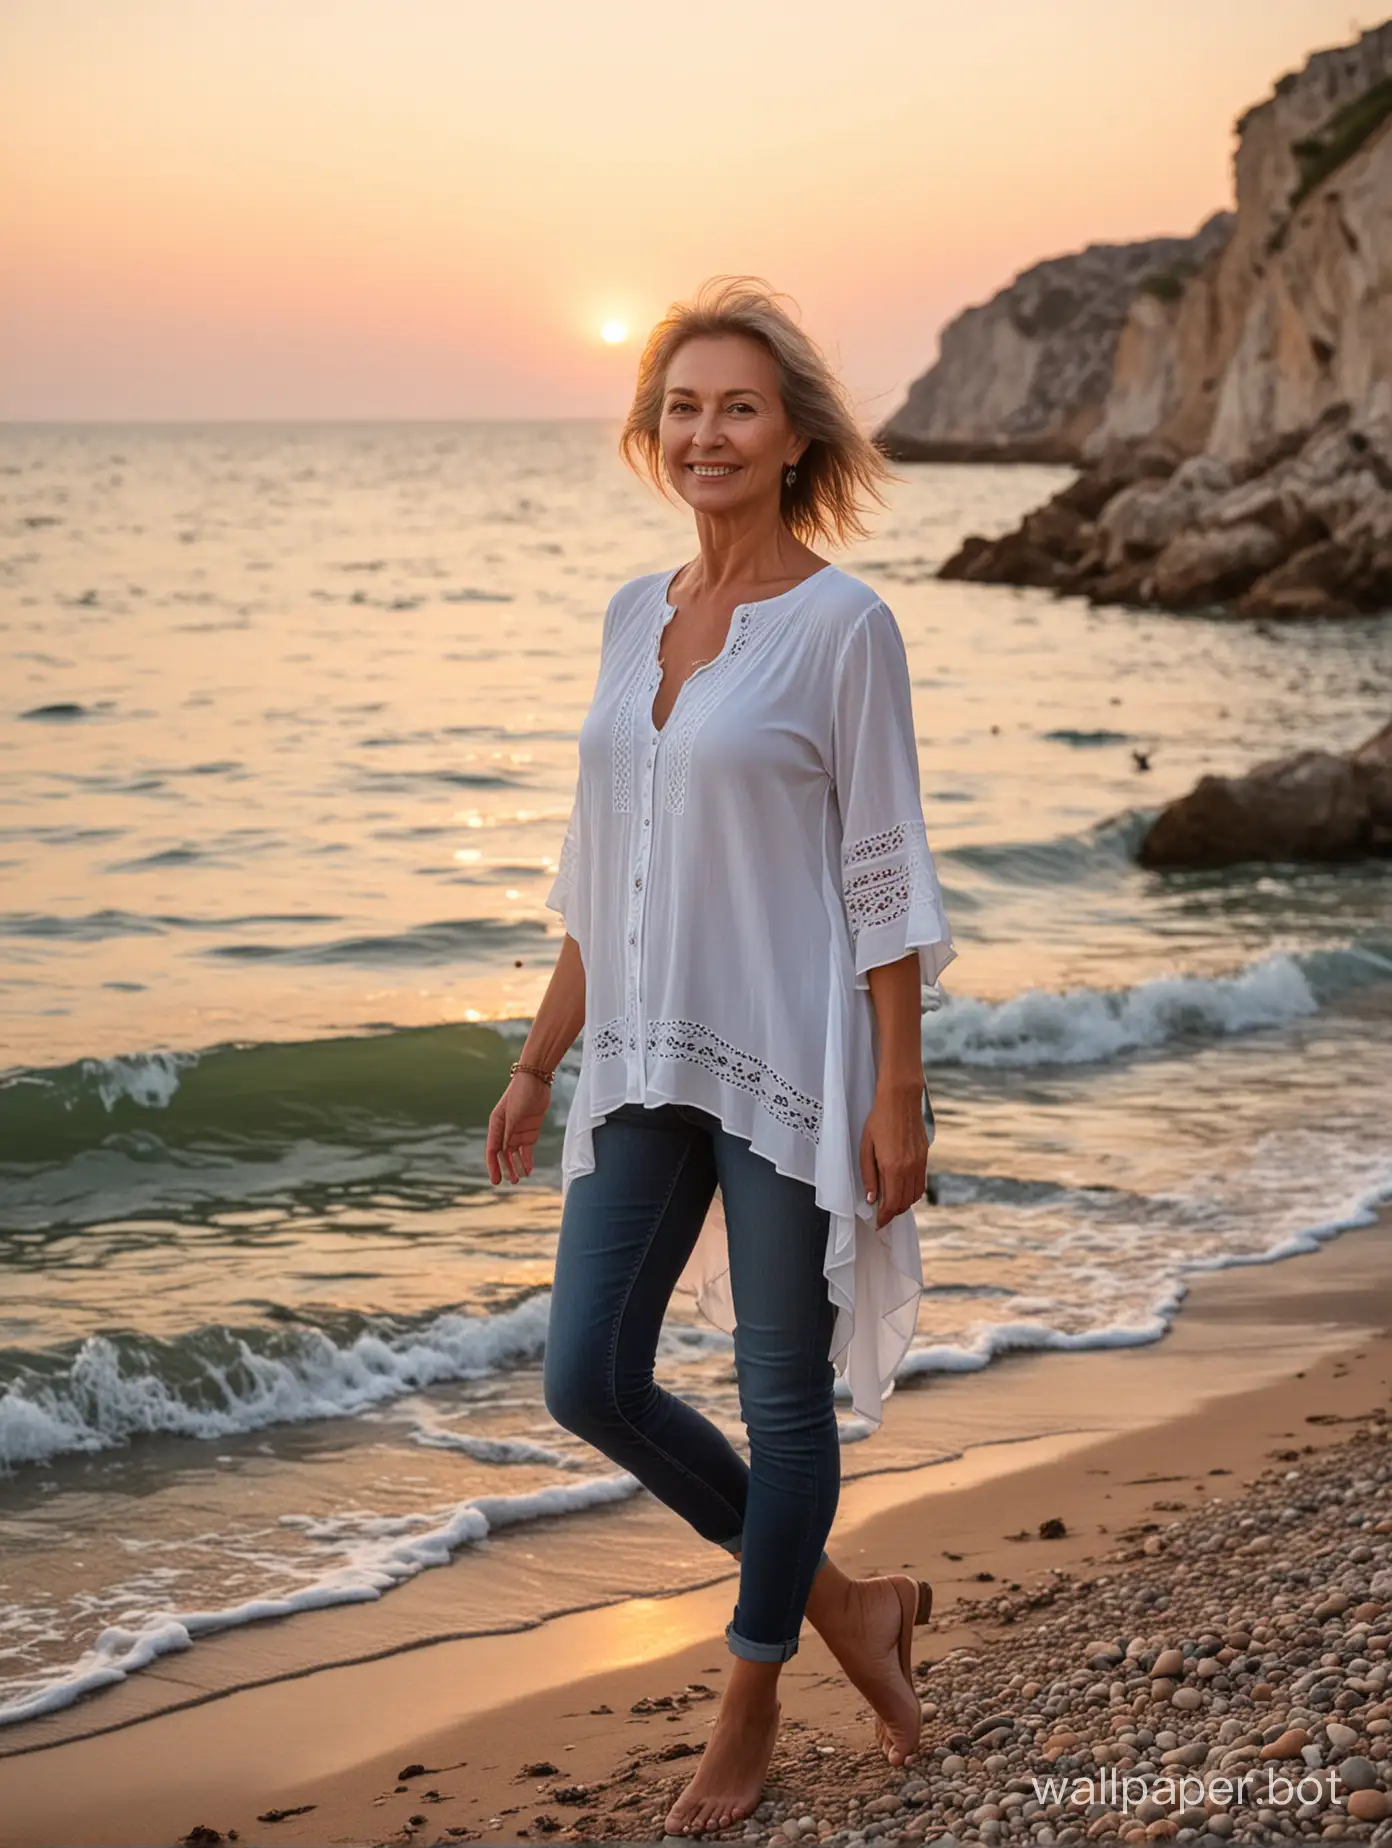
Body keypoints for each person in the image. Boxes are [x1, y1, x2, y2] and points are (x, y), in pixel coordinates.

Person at [486, 275, 956, 1836]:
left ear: (795, 433)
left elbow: (882, 867)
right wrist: (542, 1058)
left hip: (787, 1050)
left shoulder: (843, 626)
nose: (707, 431)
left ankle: (748, 1700)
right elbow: (603, 862)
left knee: (781, 1397)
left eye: (738, 405)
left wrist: (898, 1085)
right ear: (651, 430)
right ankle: (847, 1606)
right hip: (634, 1052)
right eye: (681, 405)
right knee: (589, 1378)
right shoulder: (637, 614)